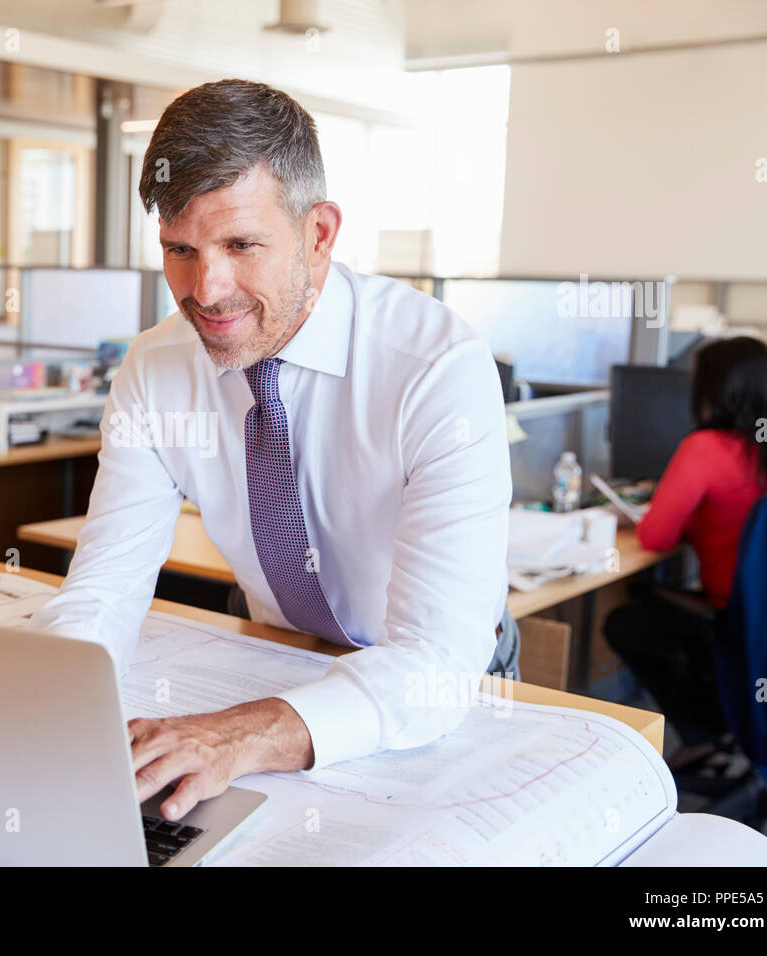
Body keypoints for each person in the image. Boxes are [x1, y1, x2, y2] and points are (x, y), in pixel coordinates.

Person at [28, 79, 513, 822]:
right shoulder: (156, 369)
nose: (207, 289)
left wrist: (235, 735)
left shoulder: (435, 367)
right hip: (278, 649)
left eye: (240, 245)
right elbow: (104, 590)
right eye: (180, 250)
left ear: (318, 235)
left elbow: (432, 670)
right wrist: (53, 706)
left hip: (435, 677)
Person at [605, 335, 767, 768]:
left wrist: (688, 517)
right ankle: (736, 722)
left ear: (712, 389)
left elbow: (655, 538)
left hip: (737, 625)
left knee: (627, 617)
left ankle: (708, 728)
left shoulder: (705, 449)